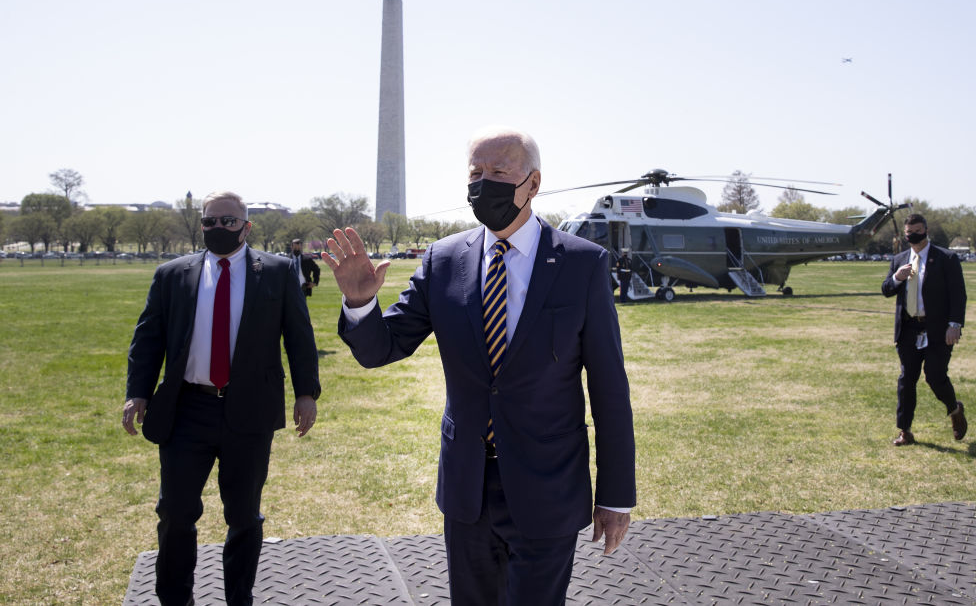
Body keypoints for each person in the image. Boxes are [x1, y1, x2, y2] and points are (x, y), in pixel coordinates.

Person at [322, 127, 635, 605]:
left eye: (498, 172)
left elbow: (609, 389)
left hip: (548, 486)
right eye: (475, 173)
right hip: (468, 489)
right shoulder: (443, 260)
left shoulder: (581, 264)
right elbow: (381, 349)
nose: (483, 183)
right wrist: (361, 303)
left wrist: (614, 496)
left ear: (532, 183)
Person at [122, 191, 320, 606]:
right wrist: (137, 392)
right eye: (210, 221)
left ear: (247, 226)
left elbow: (300, 338)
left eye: (228, 222)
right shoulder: (172, 274)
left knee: (244, 516)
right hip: (186, 410)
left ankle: (239, 599)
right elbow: (148, 338)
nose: (218, 229)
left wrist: (306, 394)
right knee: (175, 514)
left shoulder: (279, 272)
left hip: (249, 410)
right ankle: (176, 599)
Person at [882, 213, 967, 447]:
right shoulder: (899, 259)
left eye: (918, 231)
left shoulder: (946, 258)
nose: (913, 236)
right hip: (909, 329)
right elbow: (886, 289)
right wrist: (897, 279)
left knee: (935, 376)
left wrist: (955, 325)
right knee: (906, 379)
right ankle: (905, 431)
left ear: (926, 230)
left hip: (937, 329)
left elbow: (958, 295)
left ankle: (954, 409)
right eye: (909, 233)